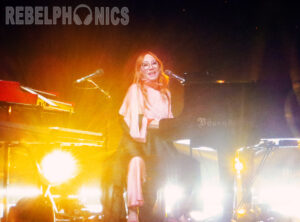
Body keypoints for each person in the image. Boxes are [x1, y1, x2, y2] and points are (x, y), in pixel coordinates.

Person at [115, 51, 193, 222]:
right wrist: (154, 123)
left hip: (161, 140)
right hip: (140, 140)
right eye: (145, 64)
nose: (150, 67)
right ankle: (133, 212)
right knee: (136, 162)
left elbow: (169, 119)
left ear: (159, 66)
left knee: (190, 161)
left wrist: (177, 130)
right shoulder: (135, 89)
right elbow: (133, 120)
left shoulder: (166, 93)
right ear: (140, 70)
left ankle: (181, 211)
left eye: (154, 63)